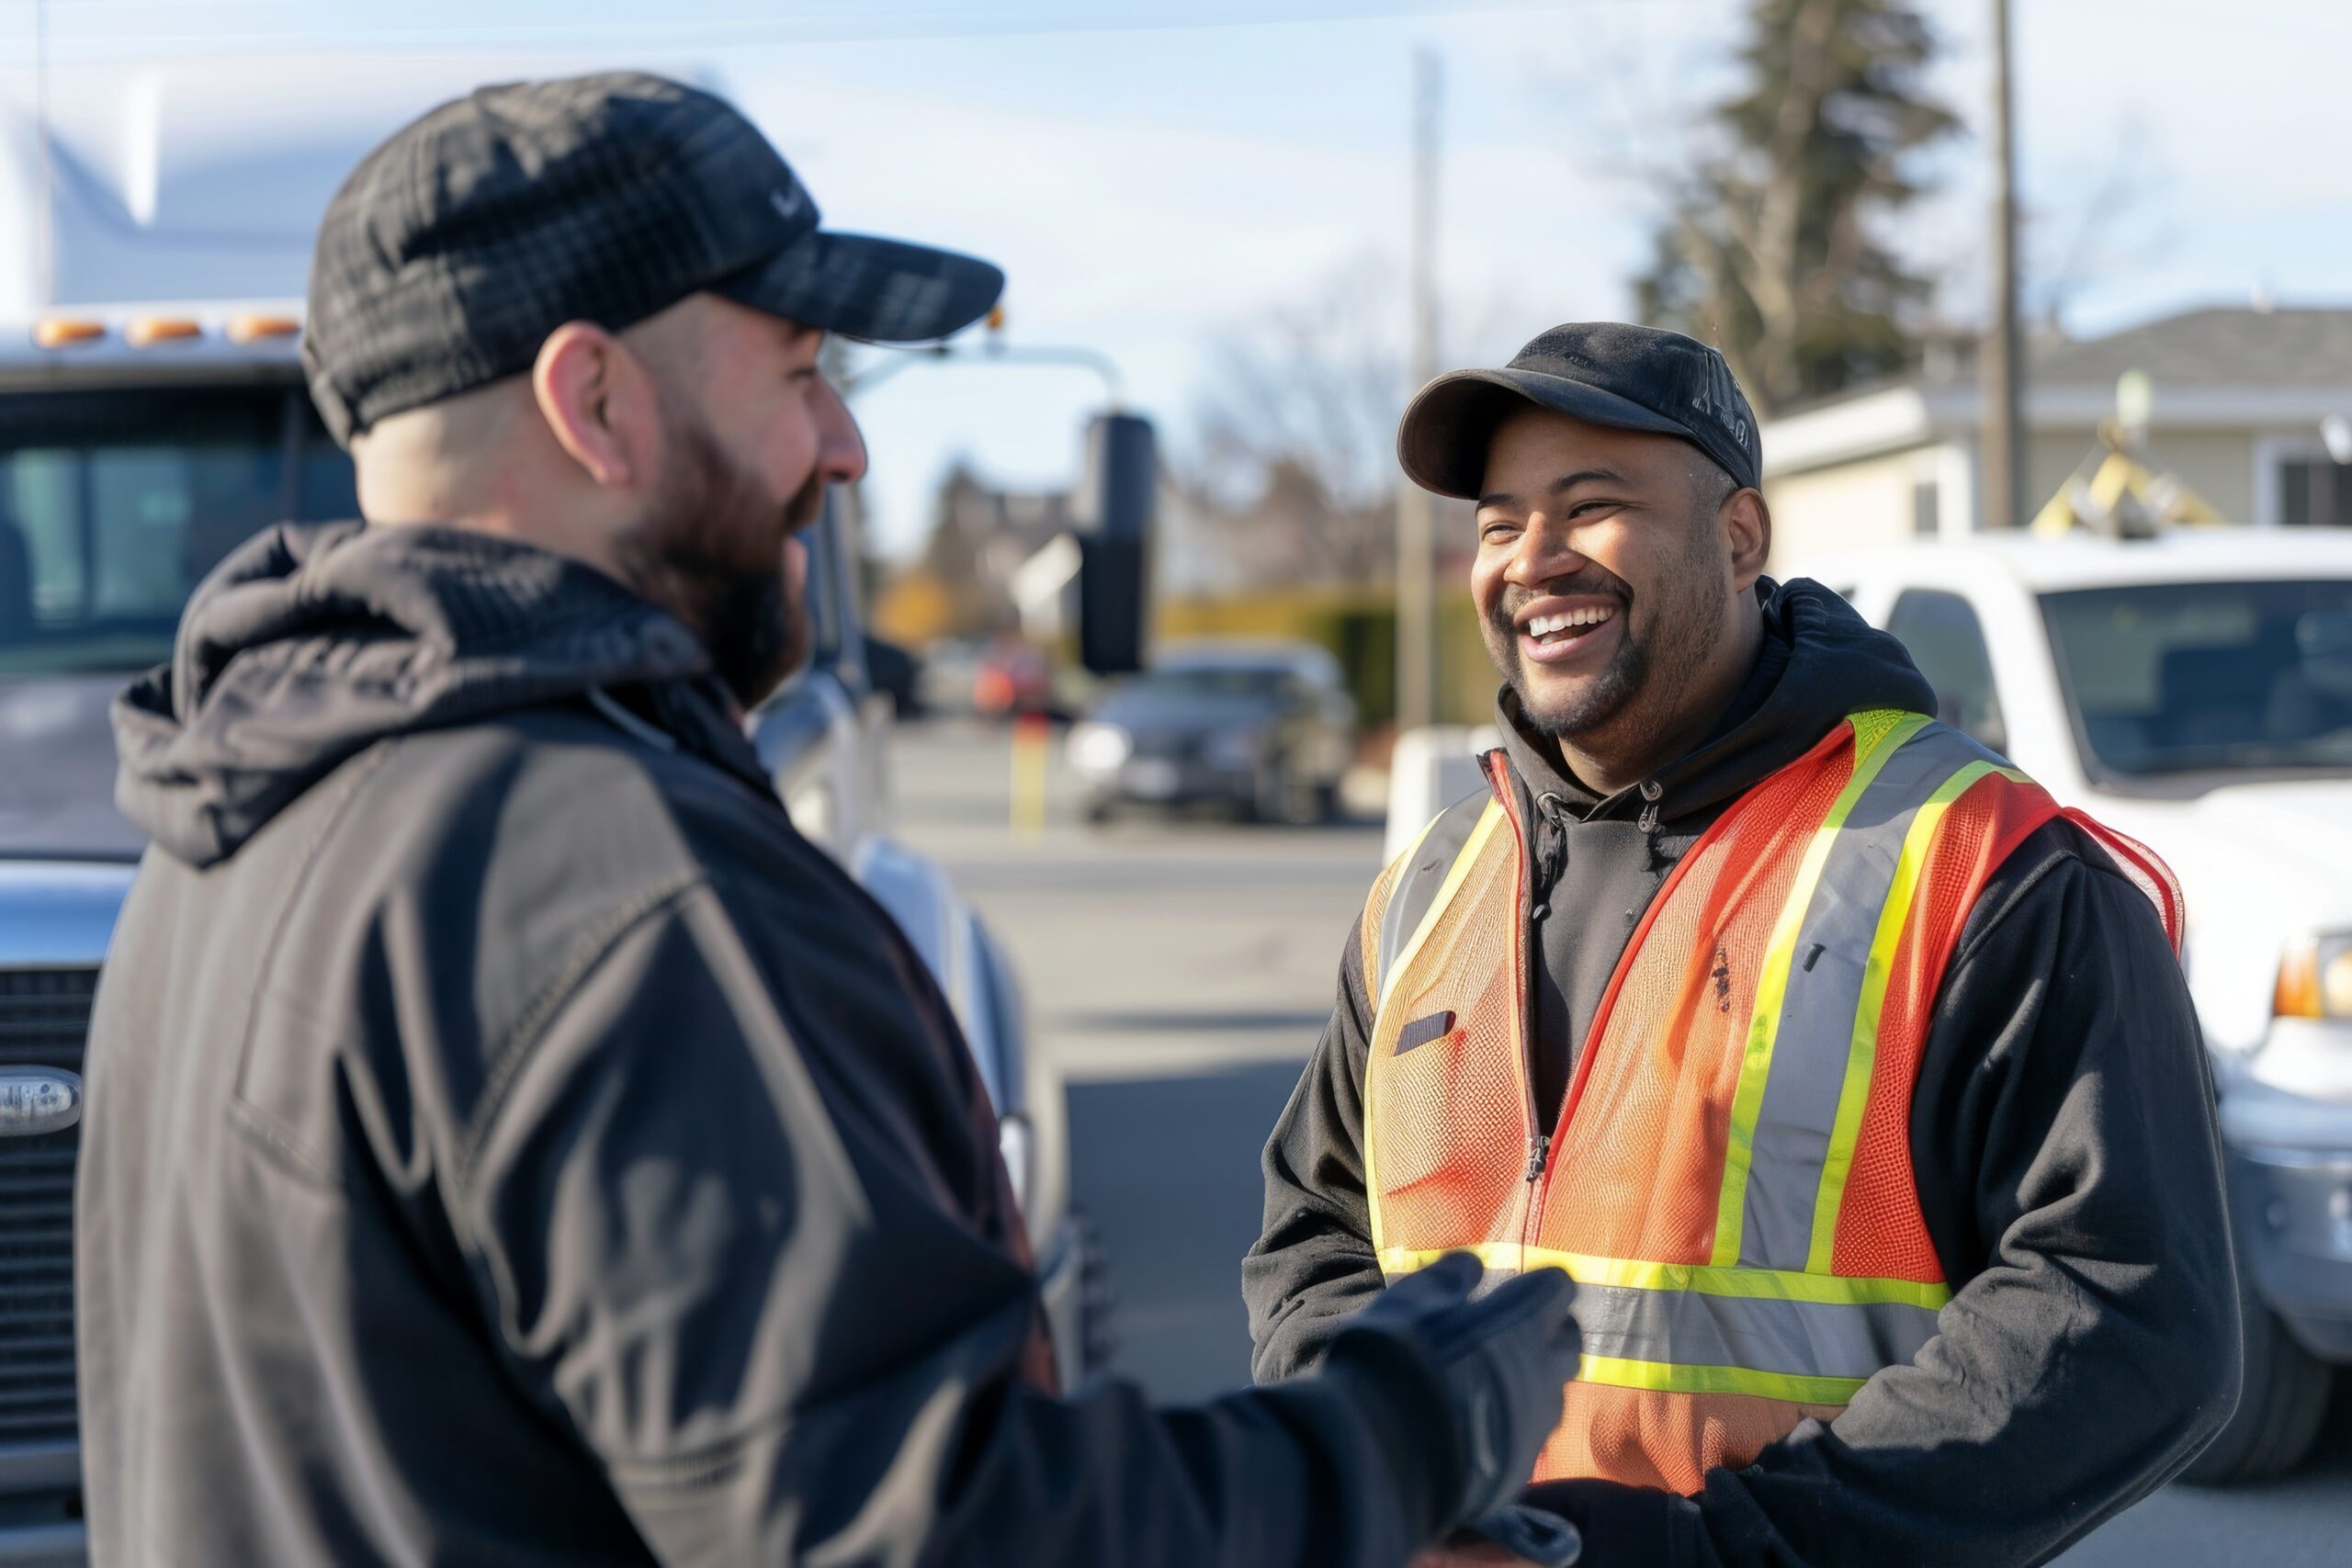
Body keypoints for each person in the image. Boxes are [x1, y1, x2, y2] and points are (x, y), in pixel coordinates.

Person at [73, 73, 1586, 1567]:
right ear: (595, 402)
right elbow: (955, 1534)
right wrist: (1412, 1421)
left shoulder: (225, 833)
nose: (846, 452)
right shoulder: (608, 884)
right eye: (800, 376)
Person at [1242, 323, 2244, 1567]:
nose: (1532, 560)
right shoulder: (1429, 888)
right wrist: (1381, 1477)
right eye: (1500, 524)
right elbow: (1316, 1236)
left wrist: (1713, 1552)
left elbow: (2133, 1312)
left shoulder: (1982, 863)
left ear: (1739, 538)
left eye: (1590, 507)